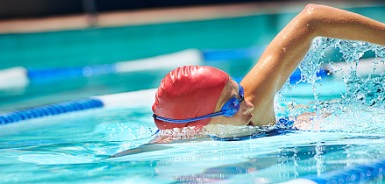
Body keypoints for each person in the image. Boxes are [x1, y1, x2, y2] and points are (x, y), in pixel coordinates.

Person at [152, 4, 385, 133]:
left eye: (239, 94)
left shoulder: (253, 113)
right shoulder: (168, 150)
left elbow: (312, 19)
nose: (249, 104)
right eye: (232, 105)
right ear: (197, 126)